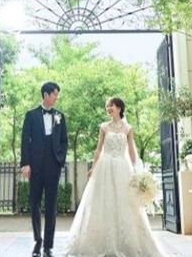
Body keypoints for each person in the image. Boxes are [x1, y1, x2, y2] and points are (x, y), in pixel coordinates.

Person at [64, 97, 166, 257]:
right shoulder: (104, 127)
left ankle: (126, 243)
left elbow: (131, 151)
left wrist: (136, 170)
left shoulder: (128, 128)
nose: (108, 108)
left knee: (124, 202)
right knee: (103, 201)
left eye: (110, 105)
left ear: (118, 108)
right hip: (104, 167)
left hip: (122, 167)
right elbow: (99, 149)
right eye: (107, 106)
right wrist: (93, 167)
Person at [21, 81, 69, 257]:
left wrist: (60, 160)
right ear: (46, 95)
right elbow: (25, 140)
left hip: (53, 165)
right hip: (35, 165)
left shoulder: (60, 116)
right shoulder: (31, 115)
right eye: (55, 94)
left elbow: (64, 141)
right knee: (34, 203)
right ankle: (37, 241)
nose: (56, 98)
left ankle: (48, 245)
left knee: (51, 205)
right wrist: (25, 163)